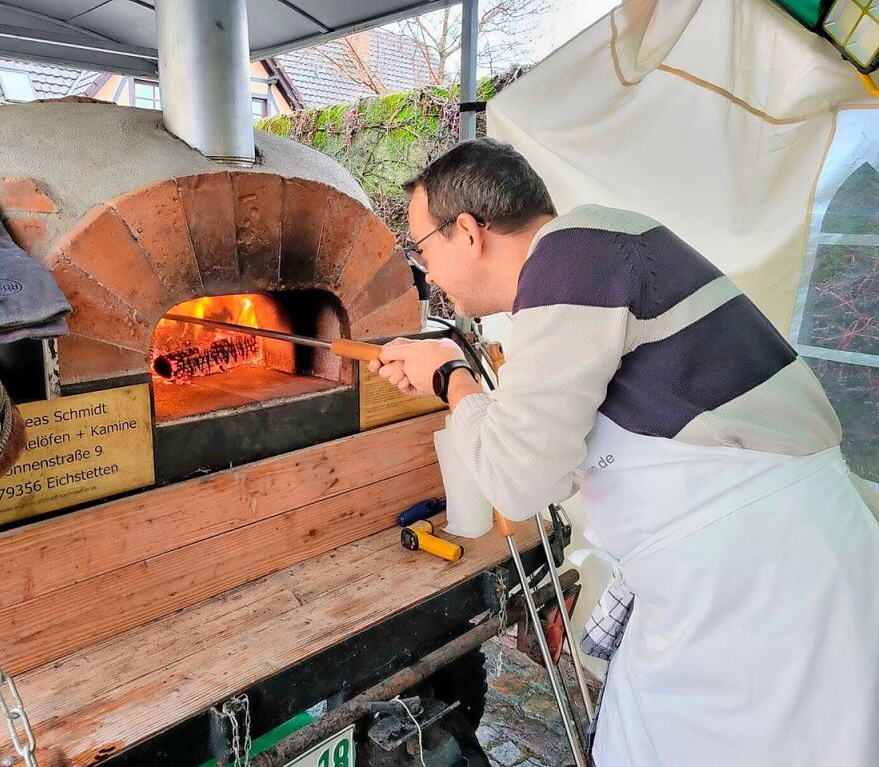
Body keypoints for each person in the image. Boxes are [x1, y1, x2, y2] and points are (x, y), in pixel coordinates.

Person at [369, 137, 879, 767]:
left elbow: (519, 479)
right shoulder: (595, 252)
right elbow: (549, 437)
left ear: (469, 232)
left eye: (422, 250)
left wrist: (449, 373)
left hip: (759, 588)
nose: (427, 274)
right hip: (736, 573)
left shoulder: (568, 262)